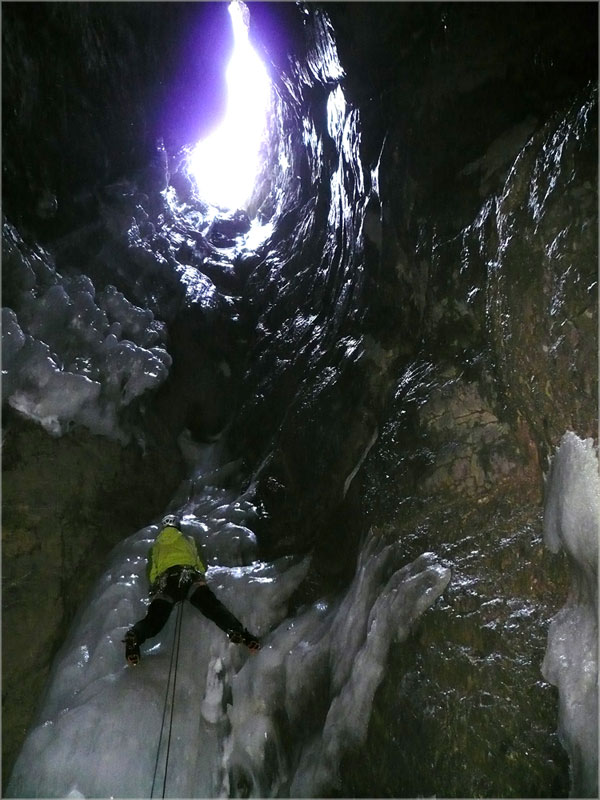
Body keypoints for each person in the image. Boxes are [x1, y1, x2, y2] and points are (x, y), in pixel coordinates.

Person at [123, 514, 260, 665]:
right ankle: (239, 633)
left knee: (154, 621)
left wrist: (156, 588)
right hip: (188, 576)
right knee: (212, 608)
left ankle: (135, 637)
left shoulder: (155, 546)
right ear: (178, 526)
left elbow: (151, 574)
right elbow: (201, 565)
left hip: (166, 582)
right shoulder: (189, 539)